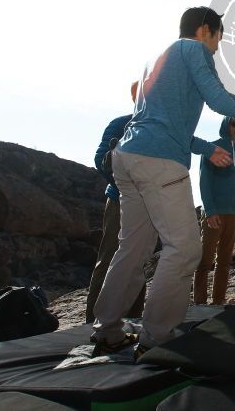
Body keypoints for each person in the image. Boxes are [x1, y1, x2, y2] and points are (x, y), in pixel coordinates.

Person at [91, 6, 235, 356]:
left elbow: (159, 119)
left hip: (129, 157)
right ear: (206, 30)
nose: (217, 47)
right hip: (159, 162)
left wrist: (205, 149)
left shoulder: (156, 57)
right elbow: (220, 100)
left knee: (133, 248)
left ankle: (107, 329)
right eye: (219, 38)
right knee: (185, 249)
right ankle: (156, 337)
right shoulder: (193, 49)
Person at [86, 82, 145, 324]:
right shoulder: (120, 124)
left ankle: (134, 318)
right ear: (135, 97)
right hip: (119, 201)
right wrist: (126, 182)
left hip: (148, 205)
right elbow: (101, 159)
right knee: (109, 258)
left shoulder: (159, 128)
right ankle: (93, 321)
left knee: (139, 261)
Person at [193, 116, 235, 305]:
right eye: (234, 124)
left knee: (224, 261)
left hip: (233, 213)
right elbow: (204, 181)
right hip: (214, 213)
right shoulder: (212, 148)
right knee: (205, 261)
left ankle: (218, 301)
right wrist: (210, 211)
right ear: (225, 125)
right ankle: (200, 303)